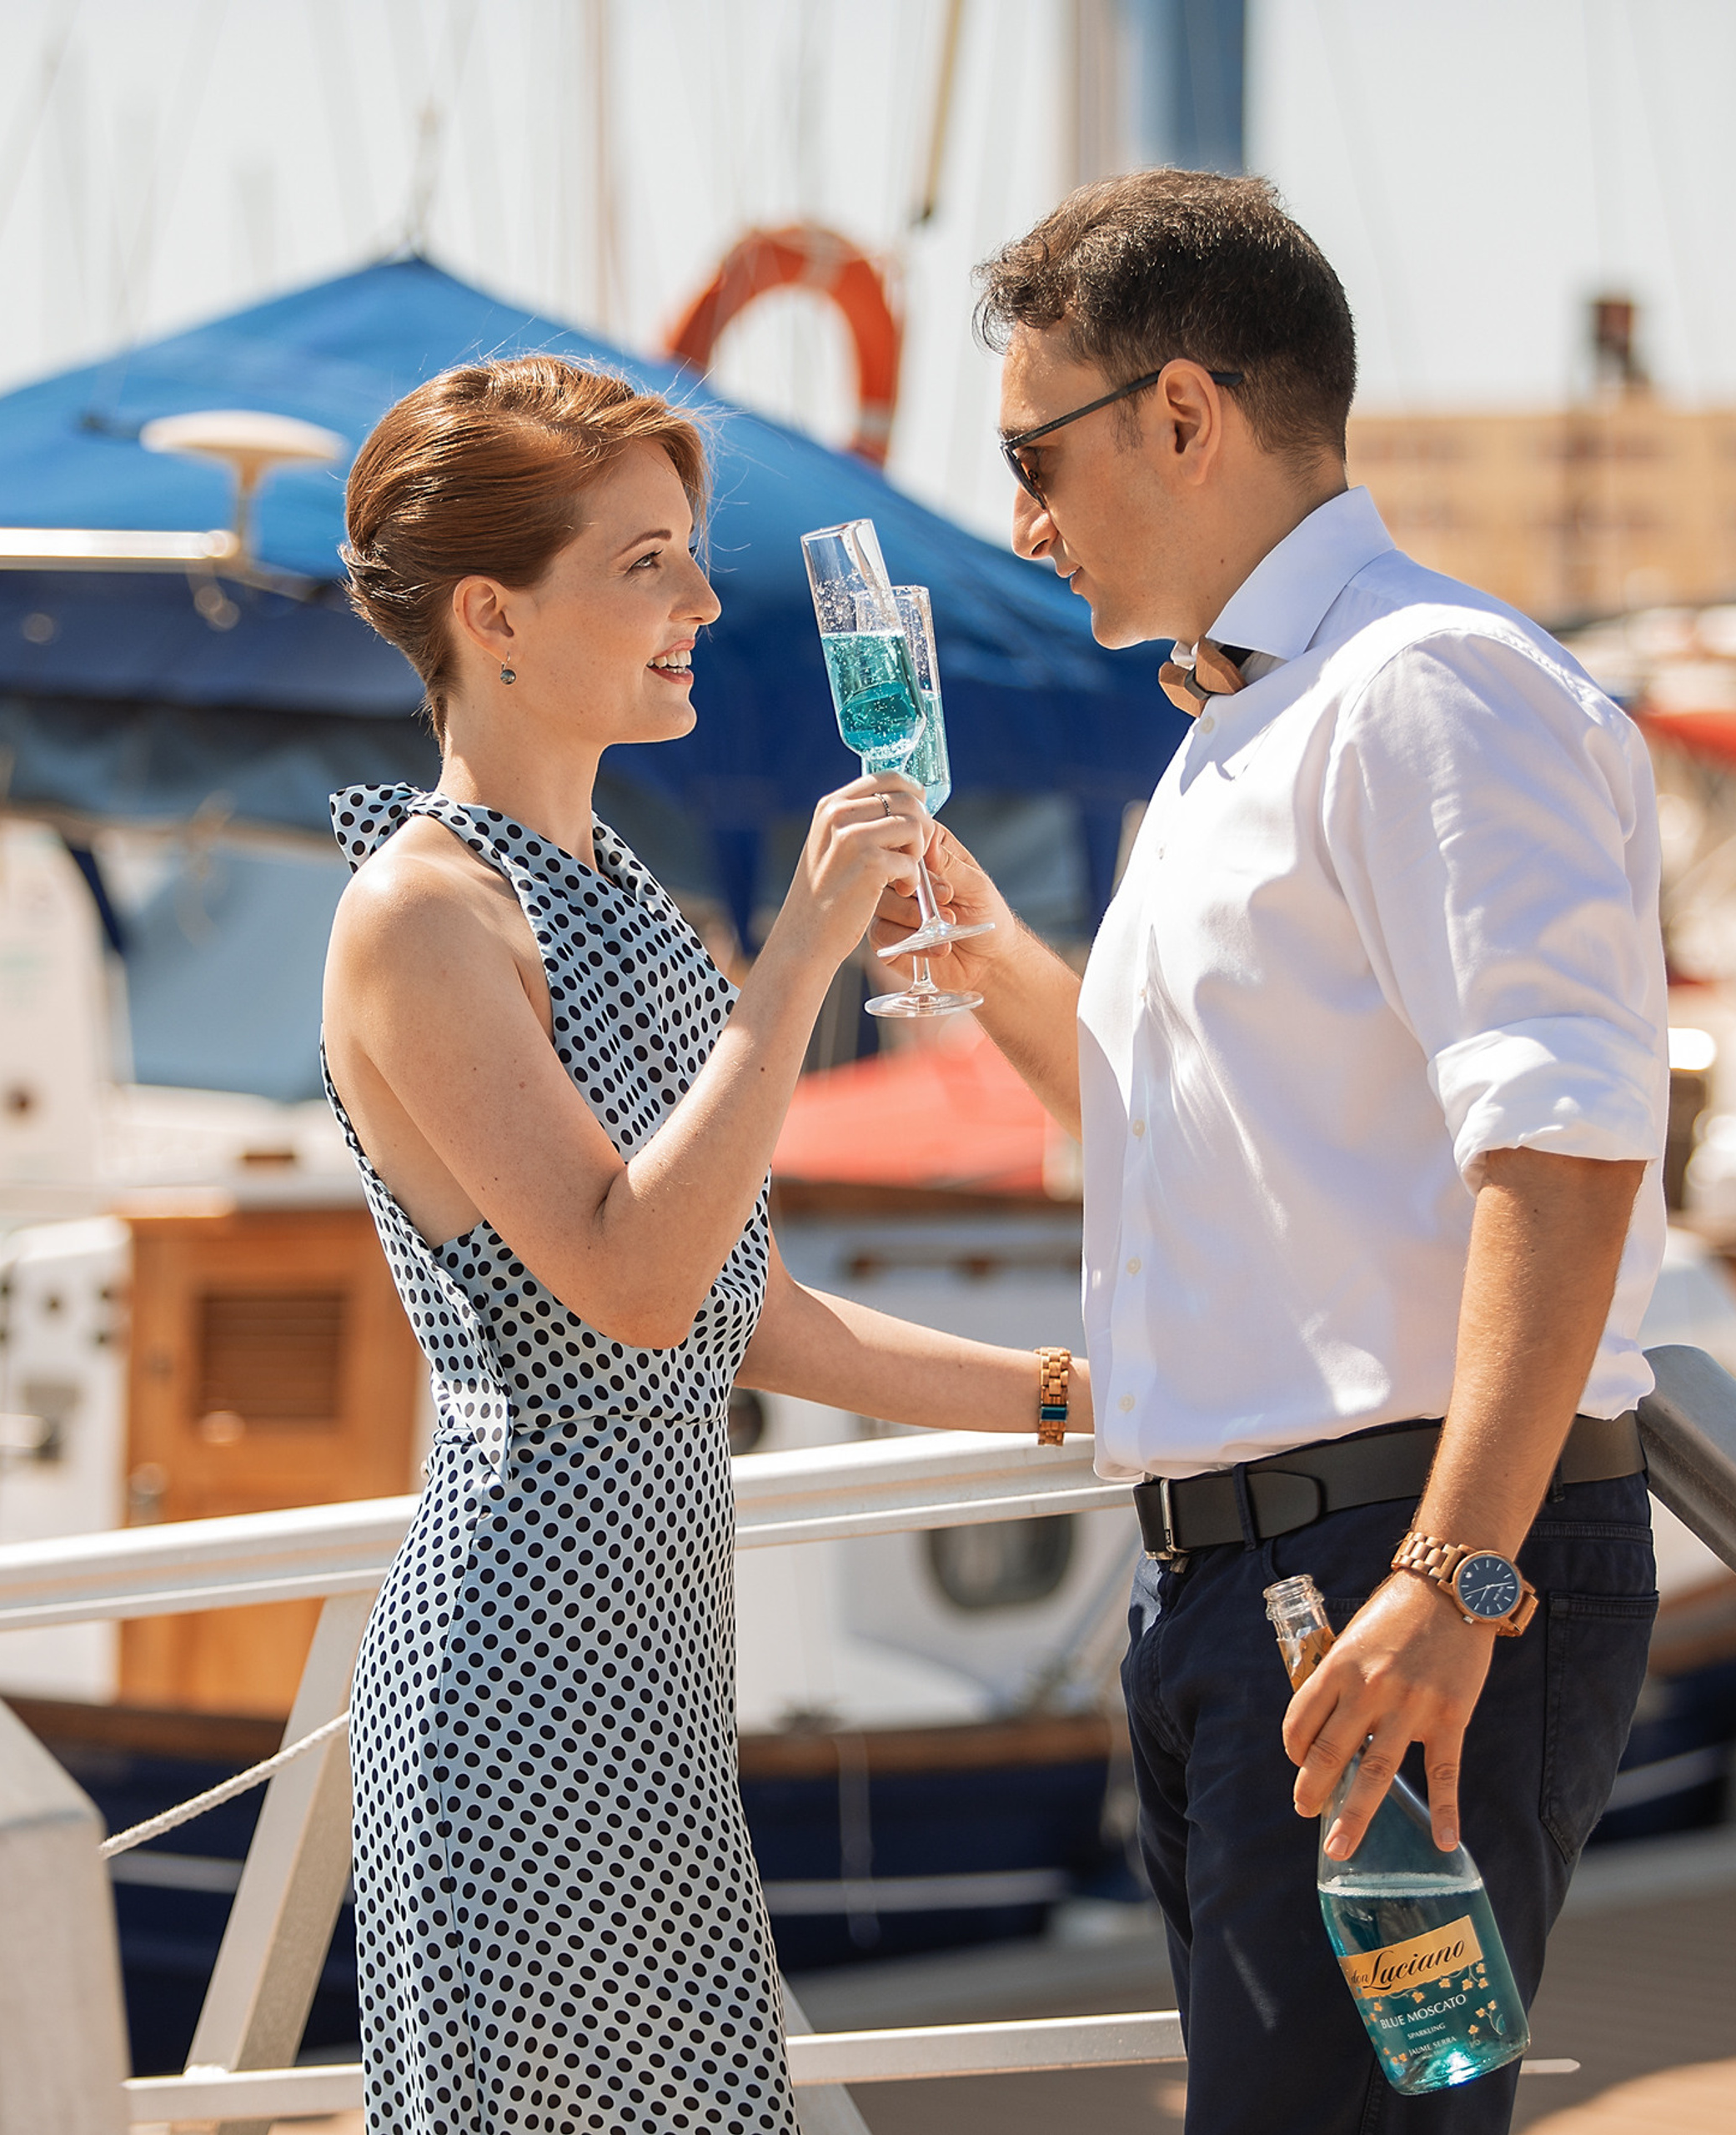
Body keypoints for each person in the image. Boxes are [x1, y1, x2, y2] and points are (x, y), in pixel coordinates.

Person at [879, 171, 1666, 2133]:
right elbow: (1182, 1138)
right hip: (1257, 1583)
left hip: (1389, 1563)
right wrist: (989, 965)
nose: (1020, 522)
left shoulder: (1423, 688)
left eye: (1030, 456)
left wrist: (1449, 1575)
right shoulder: (1242, 724)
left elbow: (1561, 1148)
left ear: (1178, 413)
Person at [323, 354, 1095, 2135]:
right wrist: (801, 957)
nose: (697, 601)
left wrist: (1080, 1395)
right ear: (493, 615)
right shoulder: (415, 914)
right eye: (644, 563)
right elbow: (630, 1277)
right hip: (524, 1658)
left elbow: (739, 1310)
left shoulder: (622, 896)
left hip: (650, 1659)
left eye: (687, 555)